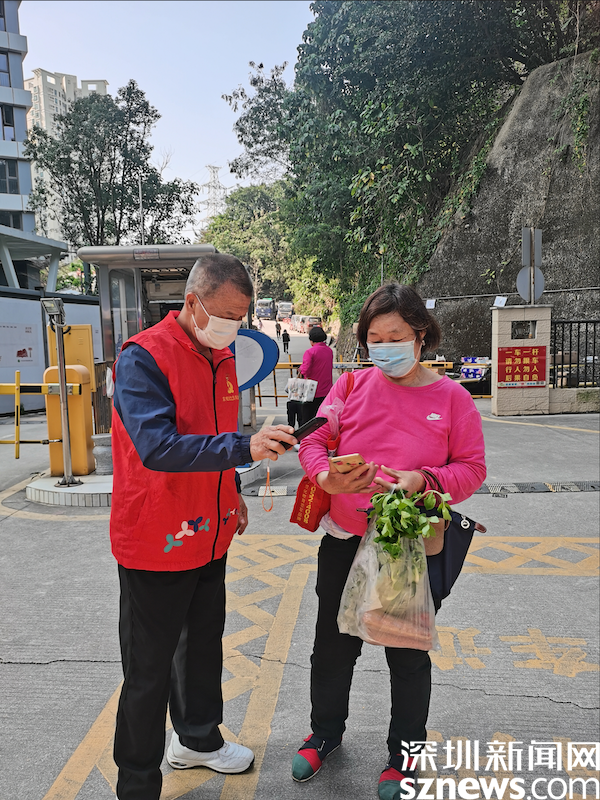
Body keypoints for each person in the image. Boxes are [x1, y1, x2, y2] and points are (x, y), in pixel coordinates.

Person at [110, 254, 296, 800]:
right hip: (156, 540)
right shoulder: (143, 358)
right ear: (192, 302)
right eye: (227, 315)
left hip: (209, 532)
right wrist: (245, 449)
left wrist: (231, 490)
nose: (234, 327)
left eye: (242, 317)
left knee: (202, 647)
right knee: (148, 671)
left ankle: (197, 739)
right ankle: (137, 785)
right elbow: (159, 447)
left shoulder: (222, 355)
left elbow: (212, 430)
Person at [293, 283, 486, 799]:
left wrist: (423, 480)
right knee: (332, 647)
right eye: (374, 339)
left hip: (407, 545)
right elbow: (314, 437)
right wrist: (324, 476)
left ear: (421, 335)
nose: (383, 348)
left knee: (407, 655)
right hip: (344, 538)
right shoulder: (350, 385)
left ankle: (404, 757)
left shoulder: (452, 398)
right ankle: (324, 733)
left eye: (395, 337)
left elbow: (471, 469)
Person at [298, 326, 334, 425]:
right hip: (326, 390)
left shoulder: (310, 352)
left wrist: (300, 369)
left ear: (311, 340)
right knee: (322, 418)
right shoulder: (329, 351)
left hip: (311, 391)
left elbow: (305, 370)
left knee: (307, 419)